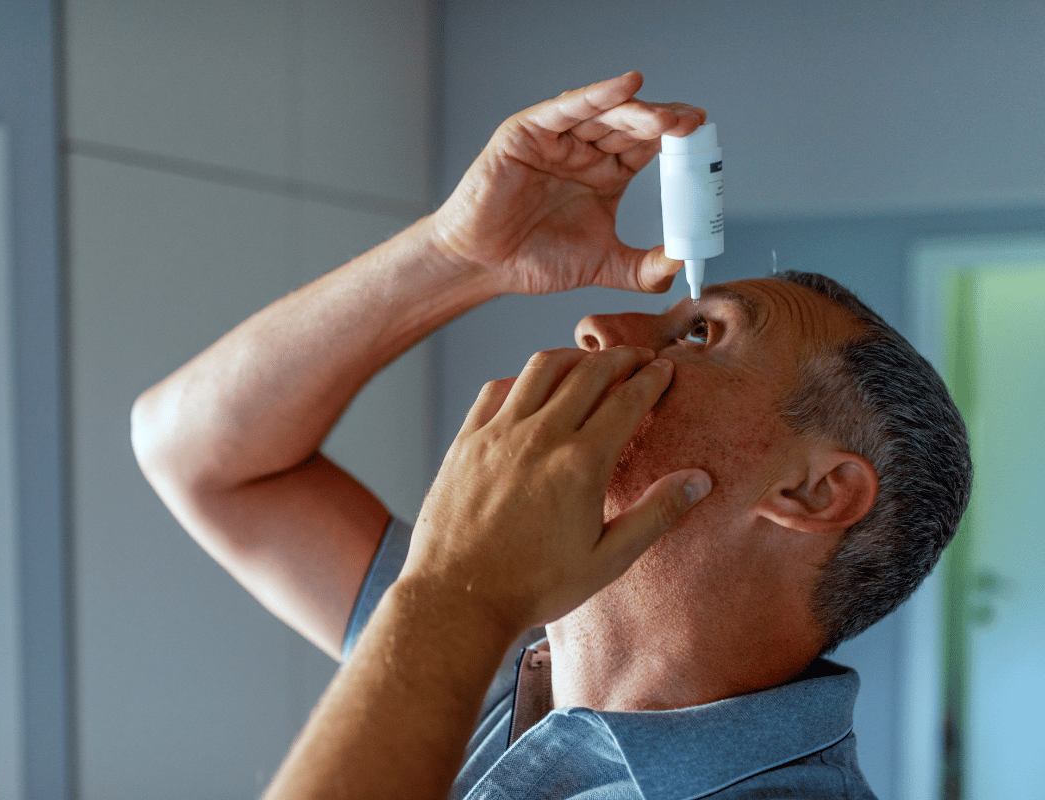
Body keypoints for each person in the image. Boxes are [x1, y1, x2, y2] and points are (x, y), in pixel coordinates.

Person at [130, 72, 971, 800]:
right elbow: (202, 458)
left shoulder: (469, 621)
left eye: (700, 335)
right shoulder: (501, 651)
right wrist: (461, 256)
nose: (599, 325)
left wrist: (457, 587)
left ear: (813, 490)